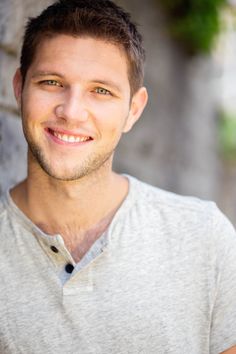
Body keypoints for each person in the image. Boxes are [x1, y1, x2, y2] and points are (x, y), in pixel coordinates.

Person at [0, 0, 236, 353]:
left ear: (133, 110)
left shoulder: (203, 237)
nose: (72, 111)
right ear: (19, 88)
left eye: (101, 91)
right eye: (51, 82)